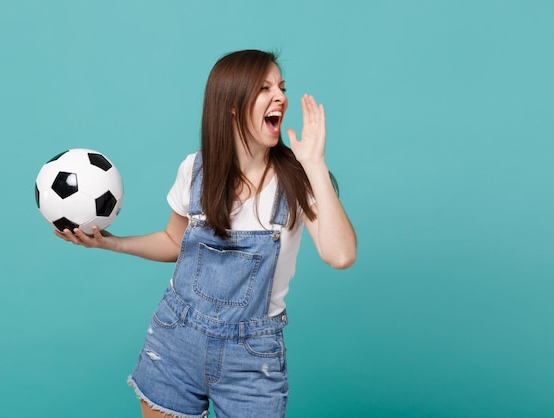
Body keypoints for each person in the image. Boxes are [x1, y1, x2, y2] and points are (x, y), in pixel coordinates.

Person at [56, 49, 357, 418]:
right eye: (264, 87)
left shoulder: (297, 181)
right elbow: (172, 241)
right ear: (231, 104)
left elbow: (340, 255)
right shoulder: (195, 170)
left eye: (281, 86)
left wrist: (315, 164)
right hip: (174, 340)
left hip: (252, 360)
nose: (280, 96)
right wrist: (112, 242)